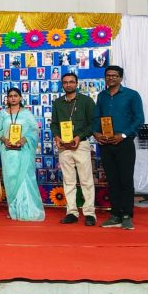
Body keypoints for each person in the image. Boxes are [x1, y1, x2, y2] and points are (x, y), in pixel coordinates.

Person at [93, 66, 144, 230]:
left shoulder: (132, 95)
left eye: (114, 75)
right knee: (112, 180)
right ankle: (115, 215)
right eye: (108, 75)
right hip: (106, 144)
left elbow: (139, 119)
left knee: (126, 180)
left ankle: (127, 215)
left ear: (121, 78)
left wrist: (123, 135)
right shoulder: (102, 96)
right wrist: (96, 133)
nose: (111, 78)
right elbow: (97, 117)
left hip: (124, 143)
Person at [50, 72, 96, 226]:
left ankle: (89, 213)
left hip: (80, 144)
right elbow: (54, 124)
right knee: (68, 180)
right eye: (65, 82)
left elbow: (93, 123)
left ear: (76, 84)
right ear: (62, 85)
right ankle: (71, 212)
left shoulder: (86, 101)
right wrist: (57, 137)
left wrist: (79, 136)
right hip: (64, 146)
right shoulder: (57, 103)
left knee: (86, 180)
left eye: (71, 82)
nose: (68, 85)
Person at [0, 88, 45, 221]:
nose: (13, 98)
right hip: (8, 152)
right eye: (10, 96)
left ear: (20, 98)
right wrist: (4, 139)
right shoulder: (3, 114)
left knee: (25, 179)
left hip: (23, 151)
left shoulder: (27, 113)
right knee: (11, 180)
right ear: (7, 98)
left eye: (15, 96)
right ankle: (14, 210)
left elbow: (34, 130)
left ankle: (28, 210)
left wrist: (24, 139)